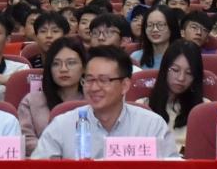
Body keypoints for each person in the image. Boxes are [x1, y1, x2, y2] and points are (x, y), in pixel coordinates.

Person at [31, 47, 174, 159]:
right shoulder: (62, 125)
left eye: (104, 80)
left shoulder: (151, 126)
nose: (94, 88)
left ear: (125, 85)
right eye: (89, 80)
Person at [16, 35, 88, 154]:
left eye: (71, 63)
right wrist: (55, 151)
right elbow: (25, 140)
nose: (63, 69)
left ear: (84, 68)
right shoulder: (31, 101)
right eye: (56, 64)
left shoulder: (94, 101)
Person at [146, 41, 210, 155]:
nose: (181, 78)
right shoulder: (143, 106)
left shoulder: (204, 108)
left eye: (189, 73)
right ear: (164, 69)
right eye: (175, 70)